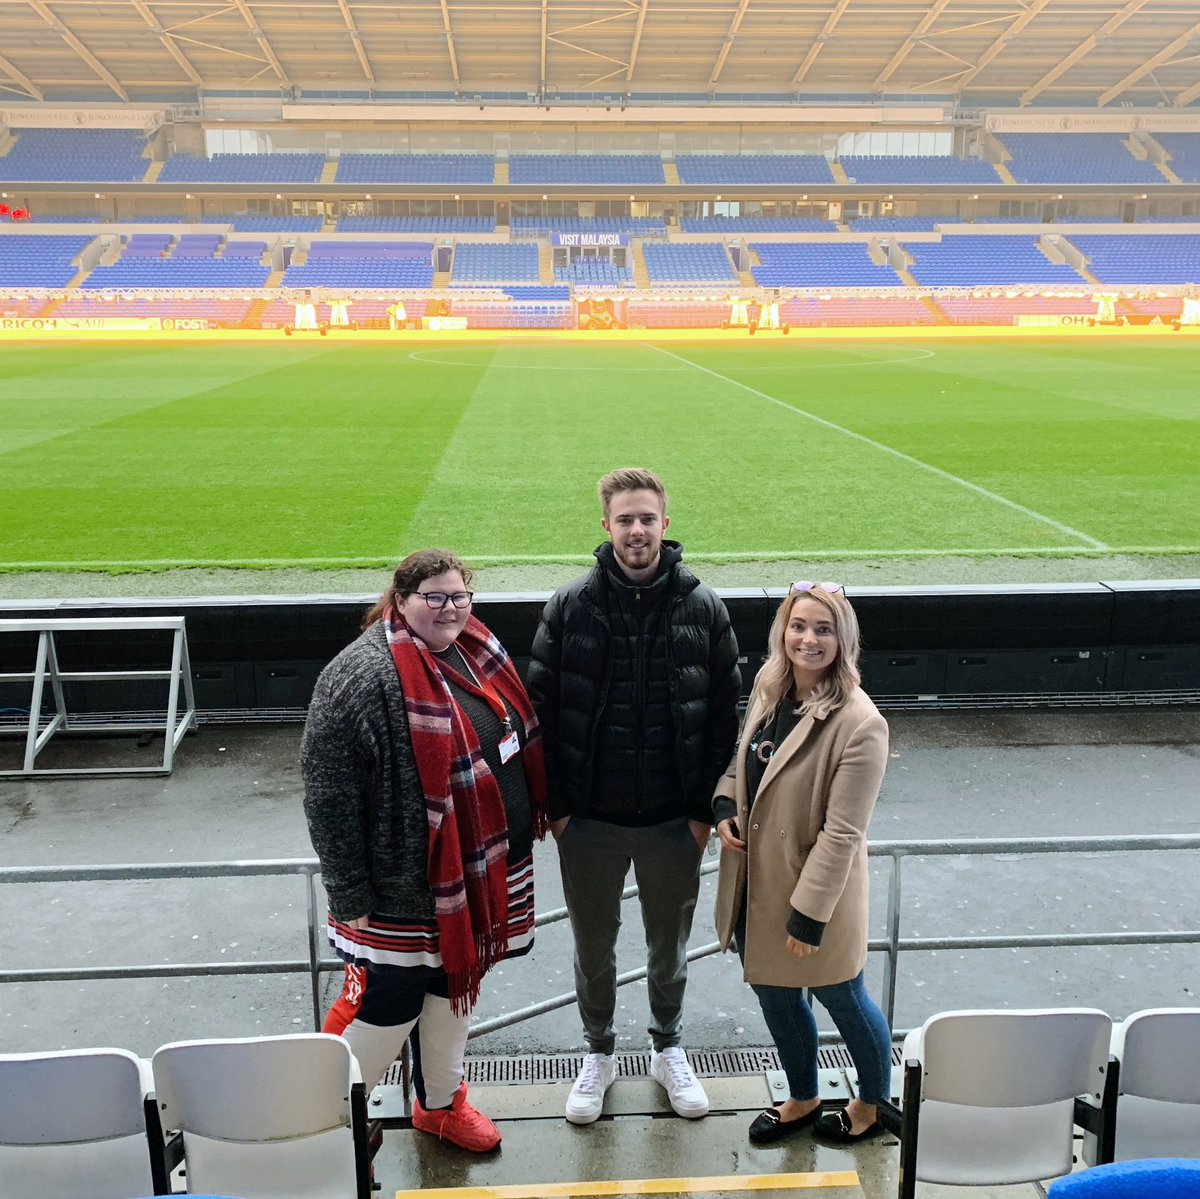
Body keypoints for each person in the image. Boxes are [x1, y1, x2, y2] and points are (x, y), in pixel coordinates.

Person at [302, 548, 547, 1153]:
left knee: (452, 988)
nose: (449, 608)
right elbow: (328, 794)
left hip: (473, 879)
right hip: (398, 893)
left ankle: (439, 1105)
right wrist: (350, 891)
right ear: (401, 599)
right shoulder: (360, 674)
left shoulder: (474, 647)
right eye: (433, 597)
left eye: (459, 596)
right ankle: (320, 1126)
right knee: (384, 1002)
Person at [527, 468, 740, 1125]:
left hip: (674, 823)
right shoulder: (570, 605)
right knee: (593, 950)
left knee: (668, 952)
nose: (637, 529)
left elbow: (724, 719)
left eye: (647, 518)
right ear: (606, 526)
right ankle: (598, 1053)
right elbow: (540, 712)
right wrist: (560, 811)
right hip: (589, 823)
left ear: (665, 525)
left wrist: (702, 815)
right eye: (625, 519)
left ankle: (667, 1047)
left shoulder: (704, 607)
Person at [713, 581, 893, 1146]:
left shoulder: (861, 722)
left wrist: (808, 914)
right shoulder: (771, 684)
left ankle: (871, 1105)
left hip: (816, 897)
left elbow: (843, 832)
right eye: (798, 626)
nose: (808, 639)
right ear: (782, 631)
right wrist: (725, 804)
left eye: (823, 629)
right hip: (758, 885)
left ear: (843, 640)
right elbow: (745, 762)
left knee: (843, 996)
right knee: (775, 994)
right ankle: (804, 1096)